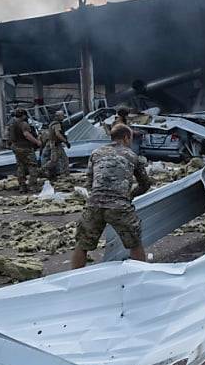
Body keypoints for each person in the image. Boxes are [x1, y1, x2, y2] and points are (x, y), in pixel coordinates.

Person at [71, 124, 152, 268]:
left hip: (94, 204)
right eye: (131, 138)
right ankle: (140, 277)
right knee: (135, 243)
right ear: (126, 138)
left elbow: (89, 181)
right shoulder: (131, 156)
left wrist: (97, 196)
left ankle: (72, 281)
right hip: (119, 206)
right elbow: (145, 183)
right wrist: (130, 195)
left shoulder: (96, 153)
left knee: (82, 245)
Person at [7, 108, 42, 193]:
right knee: (32, 165)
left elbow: (8, 136)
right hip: (25, 147)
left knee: (20, 166)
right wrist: (37, 142)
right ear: (23, 116)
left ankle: (22, 186)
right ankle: (33, 186)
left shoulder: (11, 124)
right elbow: (27, 135)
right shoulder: (23, 124)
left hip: (16, 147)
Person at [46, 110, 71, 178]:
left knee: (63, 159)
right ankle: (45, 170)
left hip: (55, 144)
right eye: (62, 116)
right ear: (58, 116)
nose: (63, 117)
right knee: (55, 160)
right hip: (55, 144)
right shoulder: (57, 124)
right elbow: (58, 134)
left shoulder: (52, 123)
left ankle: (65, 173)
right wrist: (65, 141)